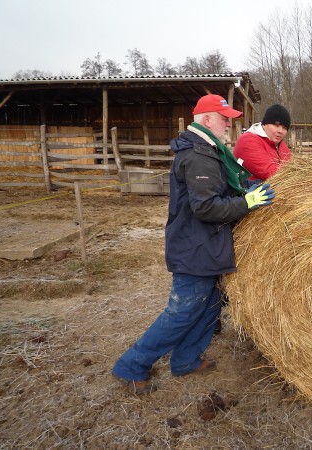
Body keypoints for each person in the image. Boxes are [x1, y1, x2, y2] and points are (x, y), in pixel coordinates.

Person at [111, 94, 275, 394]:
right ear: (207, 119)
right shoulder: (198, 155)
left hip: (209, 245)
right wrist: (247, 203)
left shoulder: (210, 150)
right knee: (183, 311)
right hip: (194, 247)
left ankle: (185, 359)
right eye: (225, 118)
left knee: (211, 305)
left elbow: (222, 187)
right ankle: (132, 365)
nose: (229, 124)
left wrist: (246, 188)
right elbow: (206, 208)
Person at [233, 104, 292, 181]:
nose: (280, 131)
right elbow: (270, 173)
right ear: (264, 124)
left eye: (284, 128)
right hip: (250, 191)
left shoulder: (281, 145)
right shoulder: (248, 141)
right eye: (276, 125)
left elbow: (292, 166)